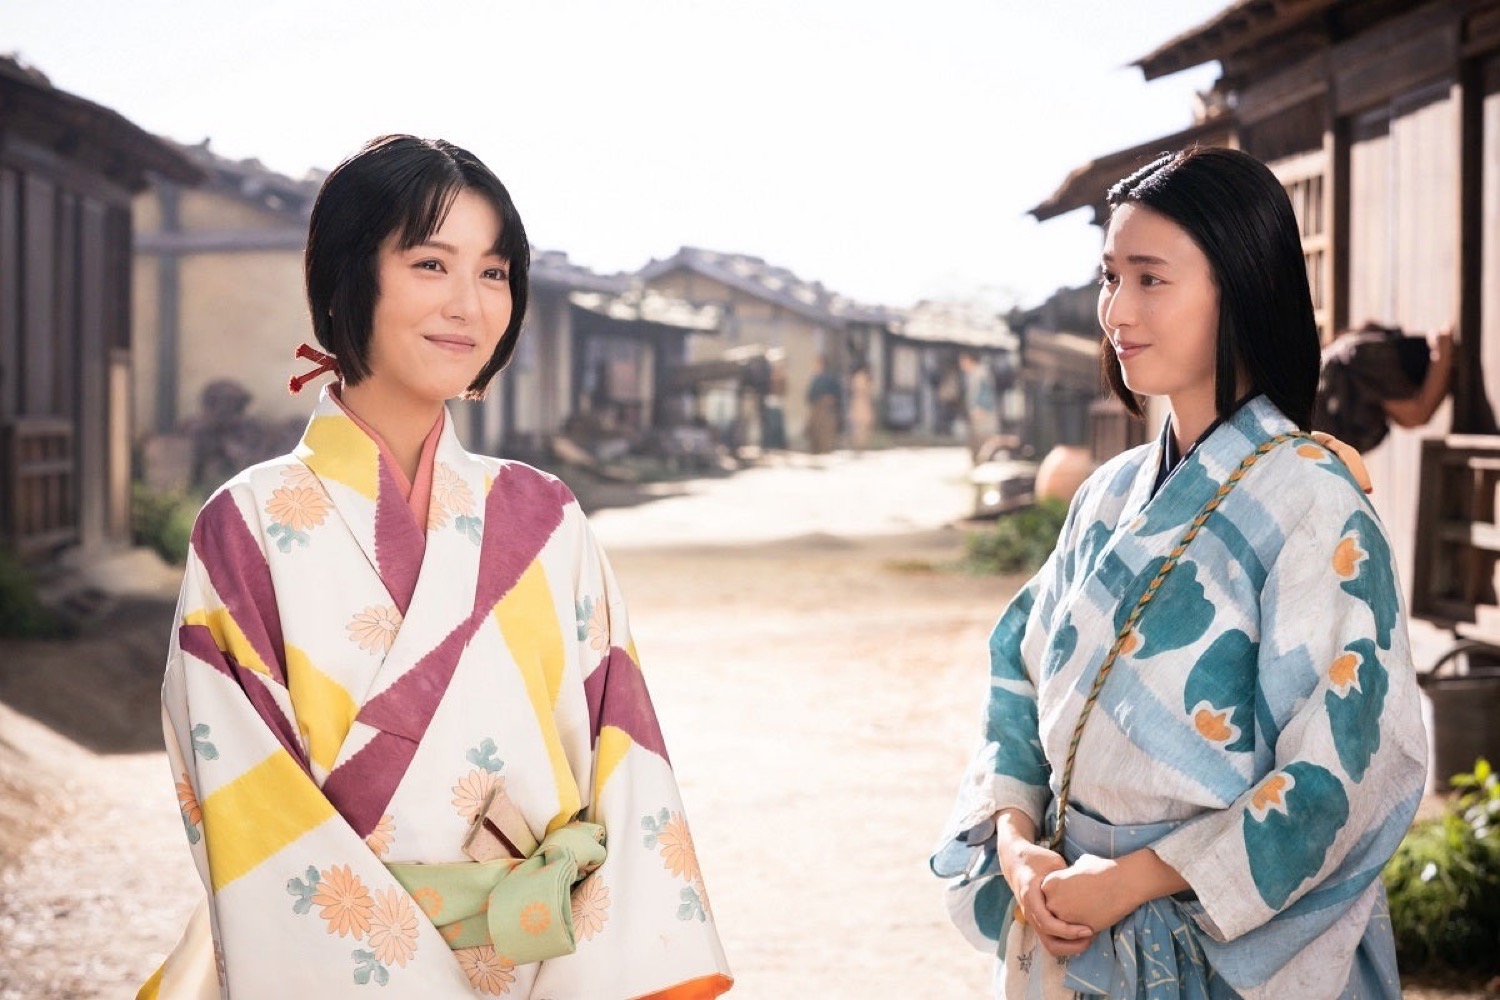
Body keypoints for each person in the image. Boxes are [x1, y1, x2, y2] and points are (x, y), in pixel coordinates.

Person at [141, 135, 733, 1000]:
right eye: (430, 264)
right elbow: (245, 803)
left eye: (494, 273)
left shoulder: (545, 516)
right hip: (334, 960)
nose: (468, 304)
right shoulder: (248, 526)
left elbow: (625, 764)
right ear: (348, 277)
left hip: (549, 963)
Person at [931, 147, 1426, 999]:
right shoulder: (1106, 494)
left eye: (1150, 279)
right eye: (1109, 277)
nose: (1117, 309)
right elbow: (1018, 675)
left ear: (1240, 289)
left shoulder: (1313, 499)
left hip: (1219, 944)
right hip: (1070, 913)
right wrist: (1016, 841)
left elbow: (1348, 766)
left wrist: (1130, 881)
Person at [1313, 319, 1454, 453]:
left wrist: (1442, 350)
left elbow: (1418, 414)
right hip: (1348, 365)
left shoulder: (1356, 367)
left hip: (1352, 369)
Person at [959, 352, 1001, 462]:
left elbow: (986, 393)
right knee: (977, 438)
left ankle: (985, 461)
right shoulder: (972, 374)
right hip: (977, 412)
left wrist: (981, 407)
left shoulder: (981, 373)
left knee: (985, 438)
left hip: (983, 413)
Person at [804, 354, 841, 455]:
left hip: (826, 411)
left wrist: (829, 400)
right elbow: (809, 396)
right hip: (815, 410)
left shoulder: (830, 379)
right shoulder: (815, 379)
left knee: (825, 436)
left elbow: (836, 395)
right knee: (814, 434)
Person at [847, 365, 875, 454]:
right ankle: (859, 447)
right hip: (860, 405)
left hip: (862, 405)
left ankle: (861, 447)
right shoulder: (860, 378)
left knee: (862, 428)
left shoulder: (861, 378)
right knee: (859, 428)